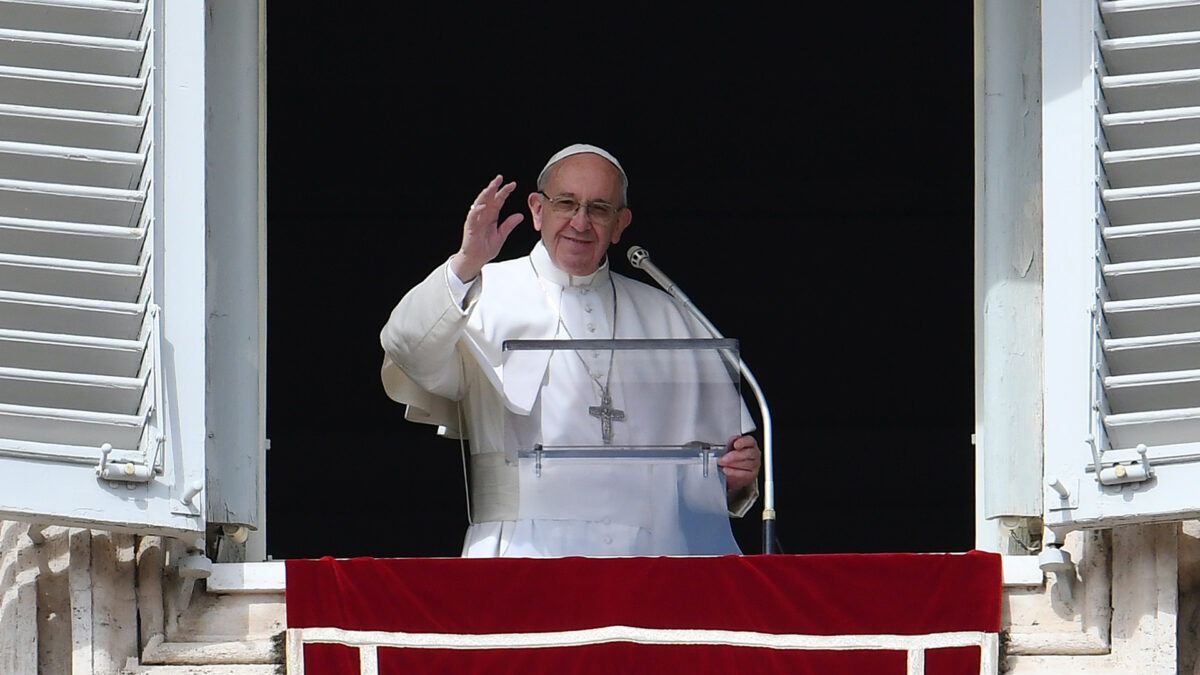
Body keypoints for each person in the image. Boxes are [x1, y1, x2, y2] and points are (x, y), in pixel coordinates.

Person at [380, 143, 762, 557]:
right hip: (520, 555)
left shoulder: (667, 314)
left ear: (620, 225)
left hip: (649, 561)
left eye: (599, 209)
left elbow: (701, 475)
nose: (581, 223)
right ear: (537, 210)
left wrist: (733, 478)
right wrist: (466, 262)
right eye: (566, 203)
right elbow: (407, 349)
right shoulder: (480, 294)